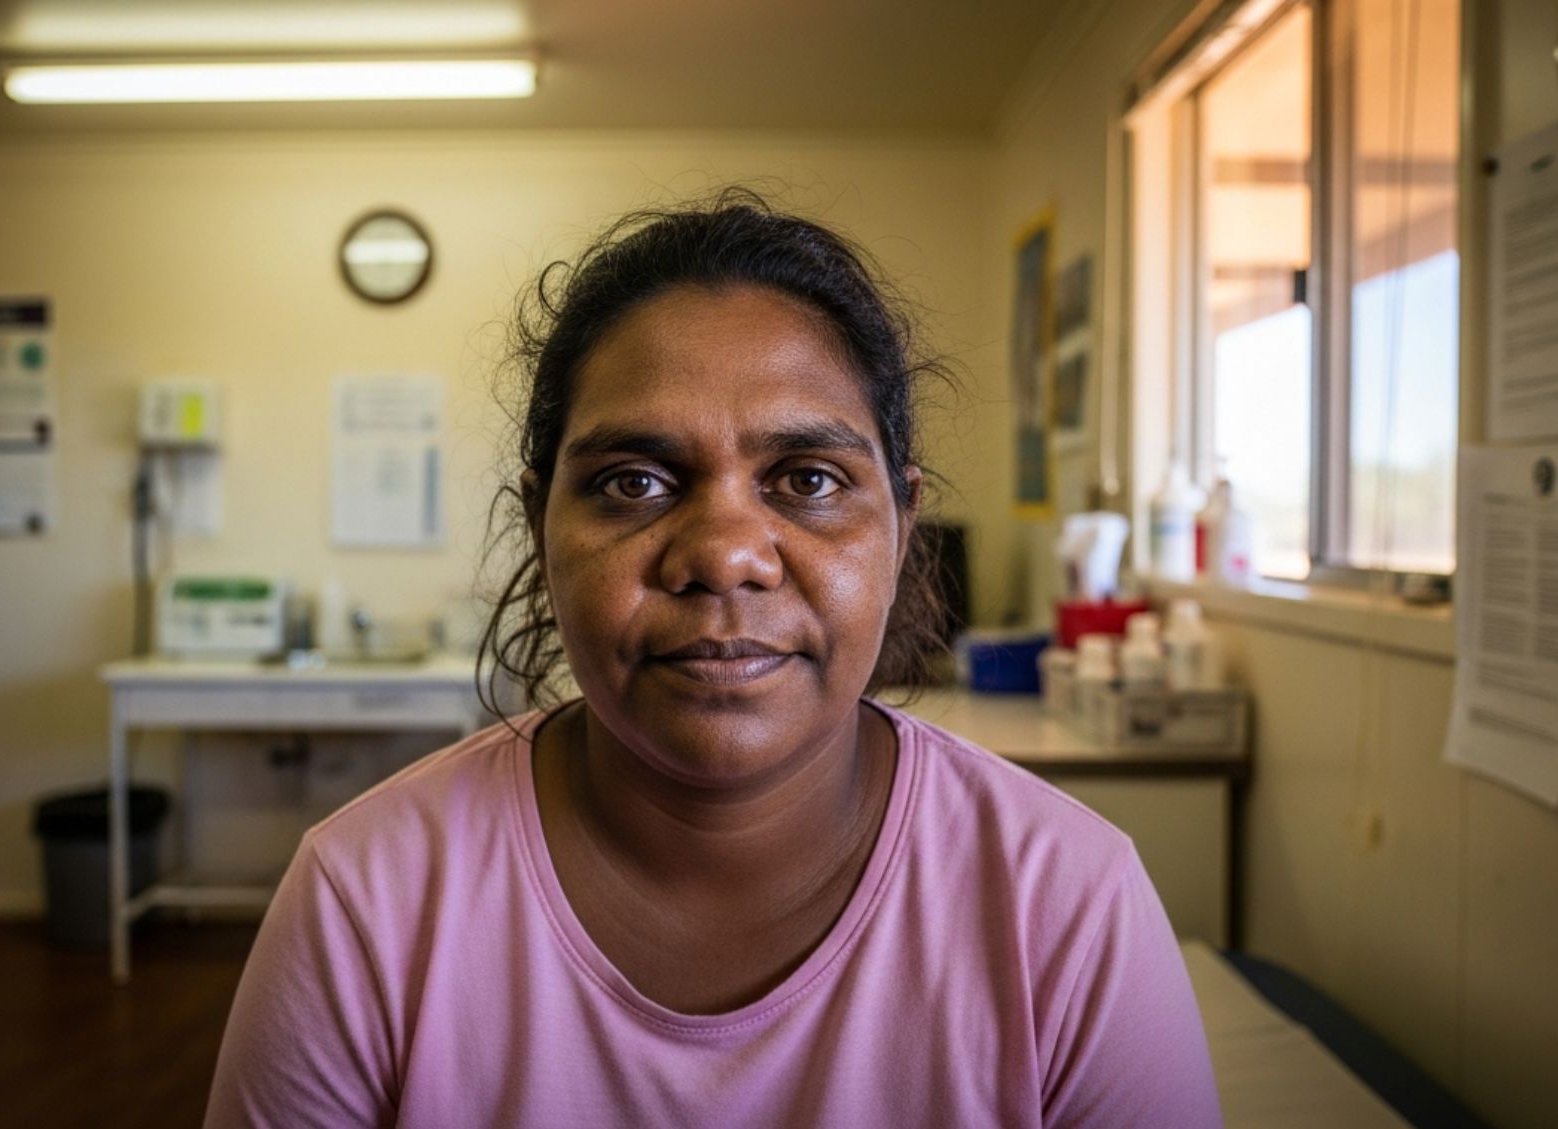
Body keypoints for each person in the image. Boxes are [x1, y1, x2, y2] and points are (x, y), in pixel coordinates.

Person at [205, 194, 1222, 1128]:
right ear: (537, 522)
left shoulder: (1065, 904)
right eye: (634, 482)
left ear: (904, 521)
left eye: (808, 477)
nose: (724, 553)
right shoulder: (366, 900)